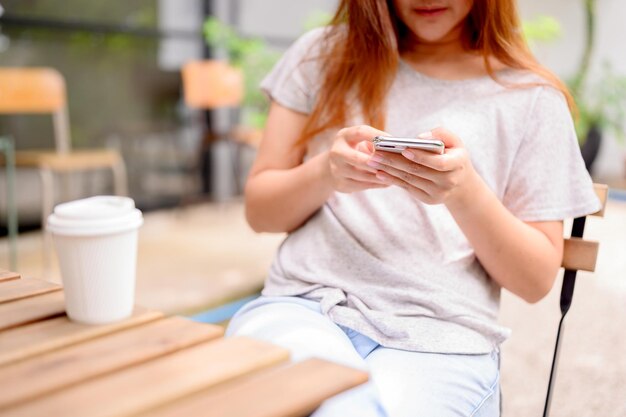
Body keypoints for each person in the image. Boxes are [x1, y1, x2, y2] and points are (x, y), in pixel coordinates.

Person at [226, 1, 601, 416]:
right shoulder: (323, 56)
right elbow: (260, 212)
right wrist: (325, 174)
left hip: (442, 336)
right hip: (303, 306)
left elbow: (534, 281)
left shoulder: (530, 97)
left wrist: (465, 193)